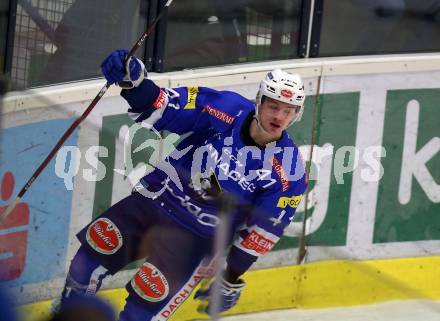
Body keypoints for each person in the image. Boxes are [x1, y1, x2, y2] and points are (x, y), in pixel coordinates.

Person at [55, 49, 307, 321]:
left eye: (288, 110)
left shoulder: (288, 171)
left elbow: (264, 231)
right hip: (154, 201)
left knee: (140, 314)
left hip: (196, 238)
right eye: (273, 106)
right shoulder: (224, 107)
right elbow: (165, 108)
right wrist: (135, 83)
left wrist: (230, 276)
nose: (279, 116)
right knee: (84, 265)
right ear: (258, 102)